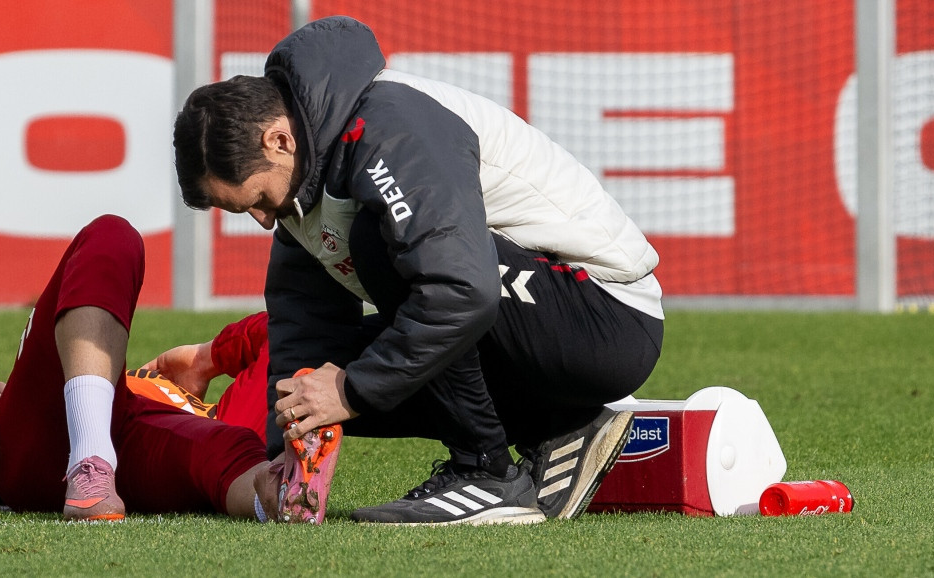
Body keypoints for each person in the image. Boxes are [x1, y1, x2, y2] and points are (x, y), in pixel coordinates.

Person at [172, 16, 664, 525]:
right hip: (539, 325)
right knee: (305, 387)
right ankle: (558, 426)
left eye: (254, 200)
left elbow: (460, 291)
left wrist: (349, 390)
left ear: (279, 140)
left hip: (606, 318)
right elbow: (303, 326)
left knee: (381, 254)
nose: (262, 219)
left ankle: (487, 474)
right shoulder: (305, 174)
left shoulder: (391, 124)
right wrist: (286, 452)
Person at [0, 216, 280, 522]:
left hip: (144, 452)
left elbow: (280, 333)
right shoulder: (110, 374)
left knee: (237, 449)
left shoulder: (227, 421)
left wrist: (206, 358)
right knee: (112, 234)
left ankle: (283, 498)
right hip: (61, 431)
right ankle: (91, 459)